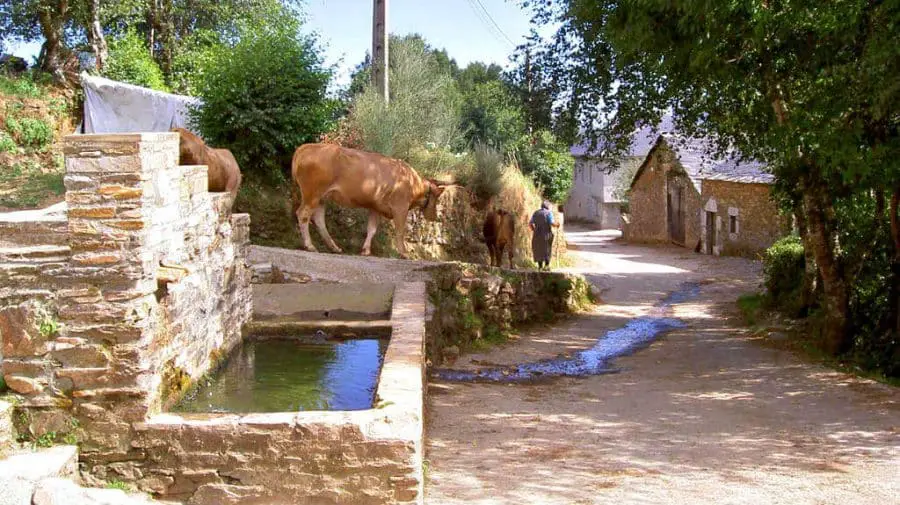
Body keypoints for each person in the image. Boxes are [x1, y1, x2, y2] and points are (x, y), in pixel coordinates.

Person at [529, 201, 560, 270]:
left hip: (537, 235)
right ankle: (546, 266)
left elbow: (530, 223)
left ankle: (540, 266)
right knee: (547, 249)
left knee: (538, 249)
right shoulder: (549, 213)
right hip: (546, 234)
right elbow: (552, 223)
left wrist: (534, 230)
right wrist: (557, 225)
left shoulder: (536, 213)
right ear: (548, 207)